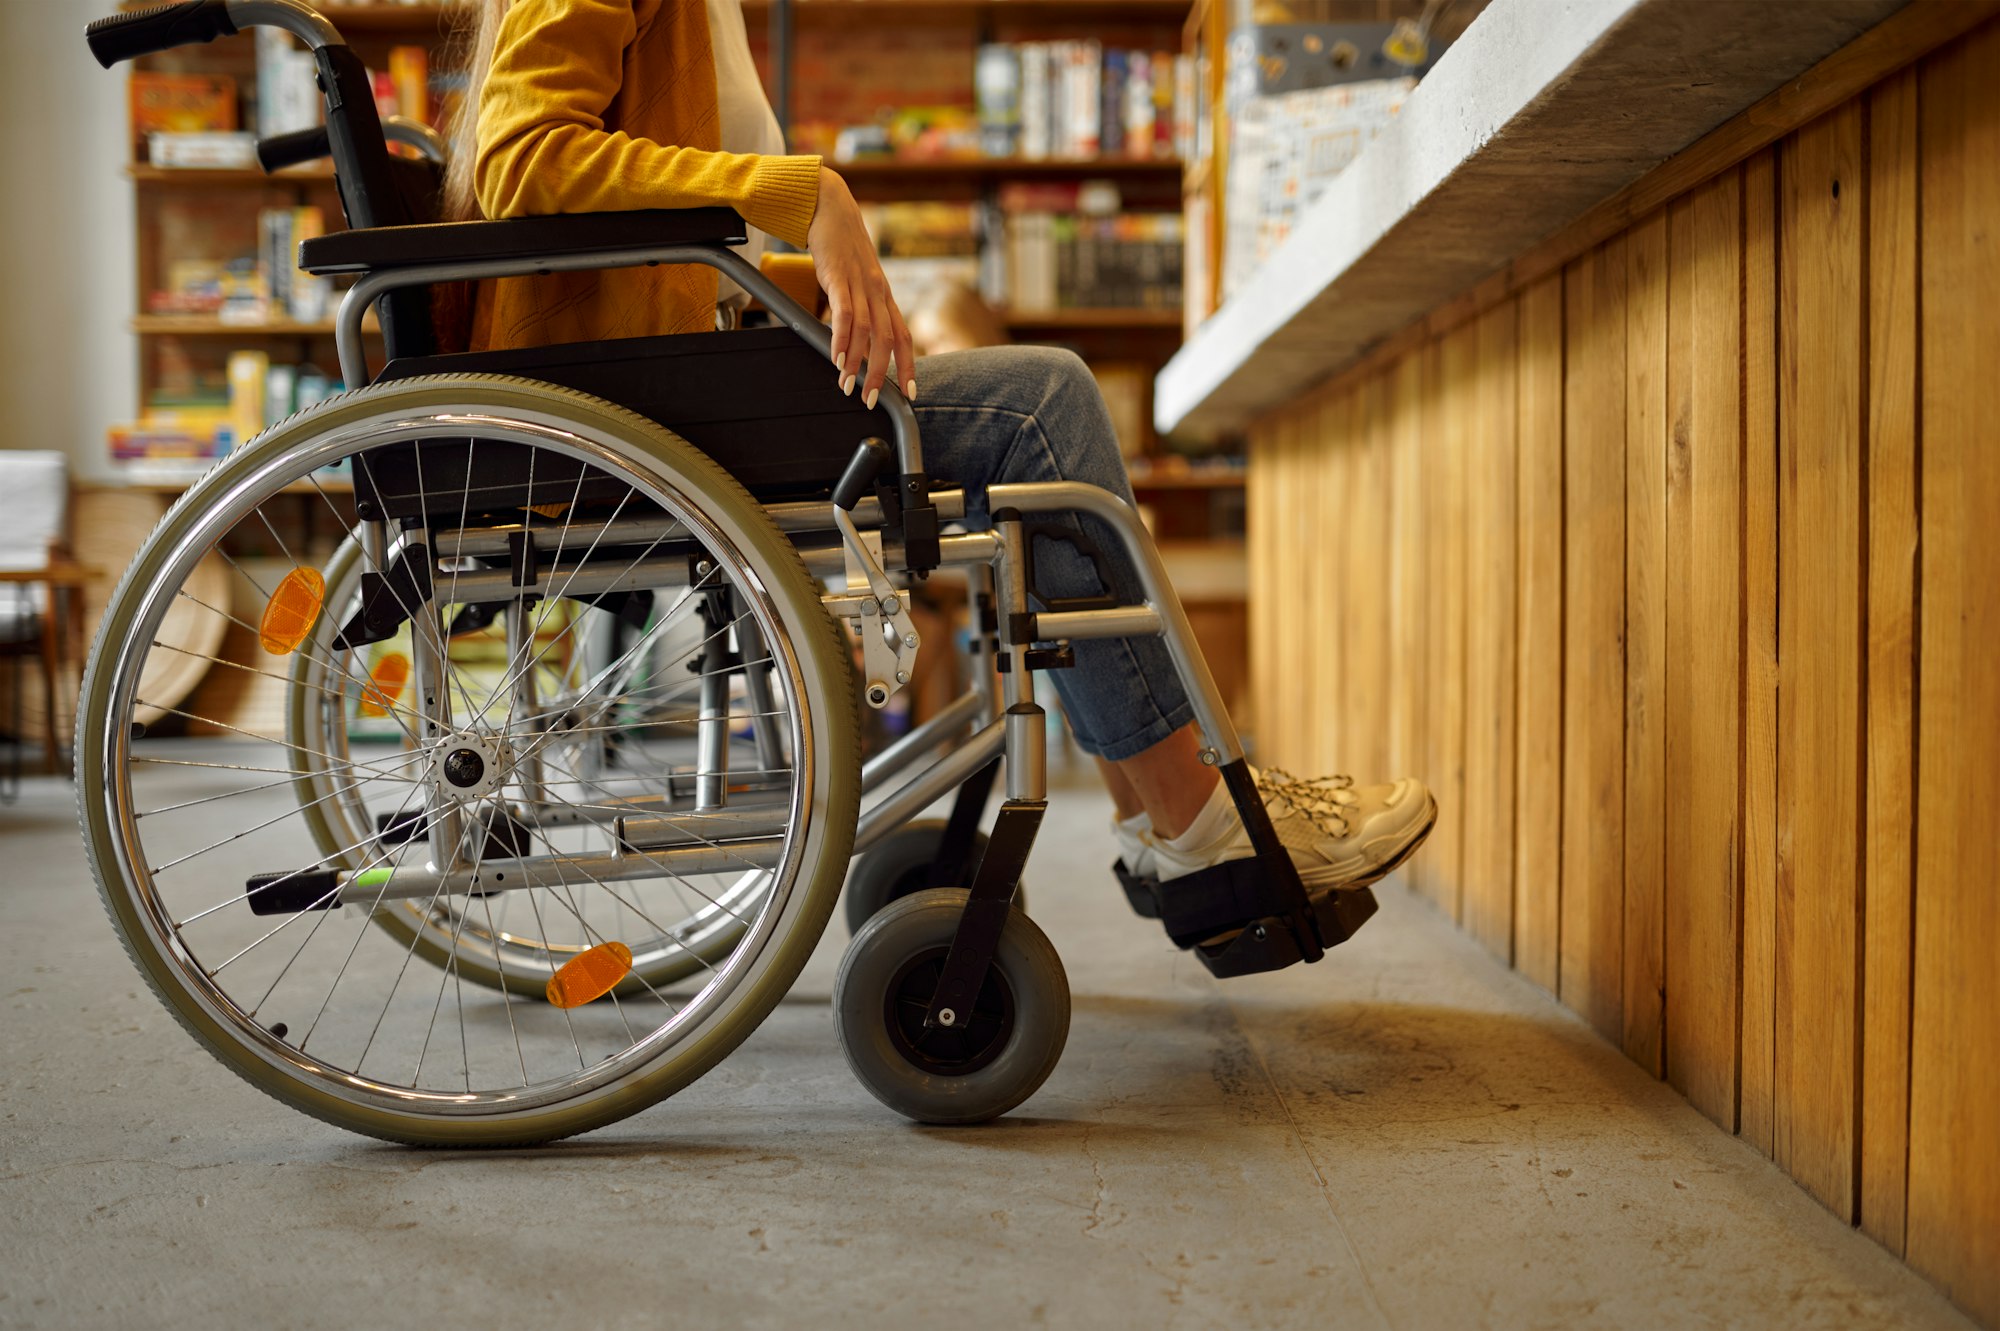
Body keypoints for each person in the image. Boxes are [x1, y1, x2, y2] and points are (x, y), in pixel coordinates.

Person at [447, 0, 1436, 934]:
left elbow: (668, 250)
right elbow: (520, 156)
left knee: (1030, 397)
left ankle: (1165, 812)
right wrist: (810, 194)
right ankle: (1189, 814)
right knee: (1039, 405)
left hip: (665, 372)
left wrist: (837, 282)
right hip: (633, 403)